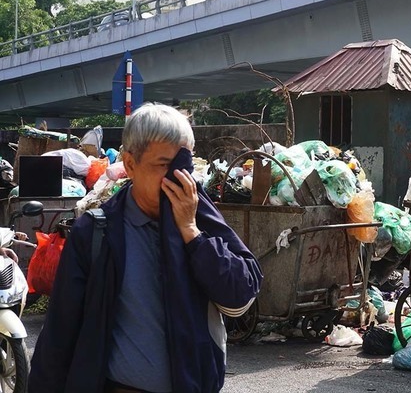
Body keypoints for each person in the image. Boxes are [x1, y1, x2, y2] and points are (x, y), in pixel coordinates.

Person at [29, 103, 263, 393]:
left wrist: (192, 233)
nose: (178, 176)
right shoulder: (96, 232)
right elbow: (60, 333)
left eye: (183, 164)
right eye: (163, 165)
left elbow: (240, 298)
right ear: (130, 165)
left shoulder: (198, 214)